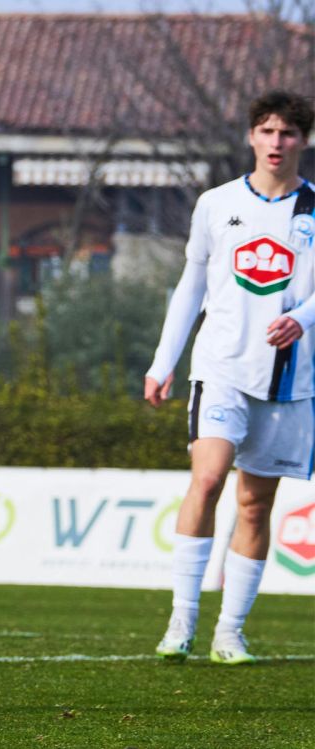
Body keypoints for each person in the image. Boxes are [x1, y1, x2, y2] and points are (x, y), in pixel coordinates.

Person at [144, 89, 314, 666]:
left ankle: (230, 633)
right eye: (266, 130)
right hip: (220, 369)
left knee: (254, 505)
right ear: (251, 136)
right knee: (209, 479)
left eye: (287, 132)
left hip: (290, 383)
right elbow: (191, 286)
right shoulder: (216, 204)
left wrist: (301, 318)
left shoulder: (314, 210)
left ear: (303, 140)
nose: (276, 142)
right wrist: (163, 361)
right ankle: (181, 621)